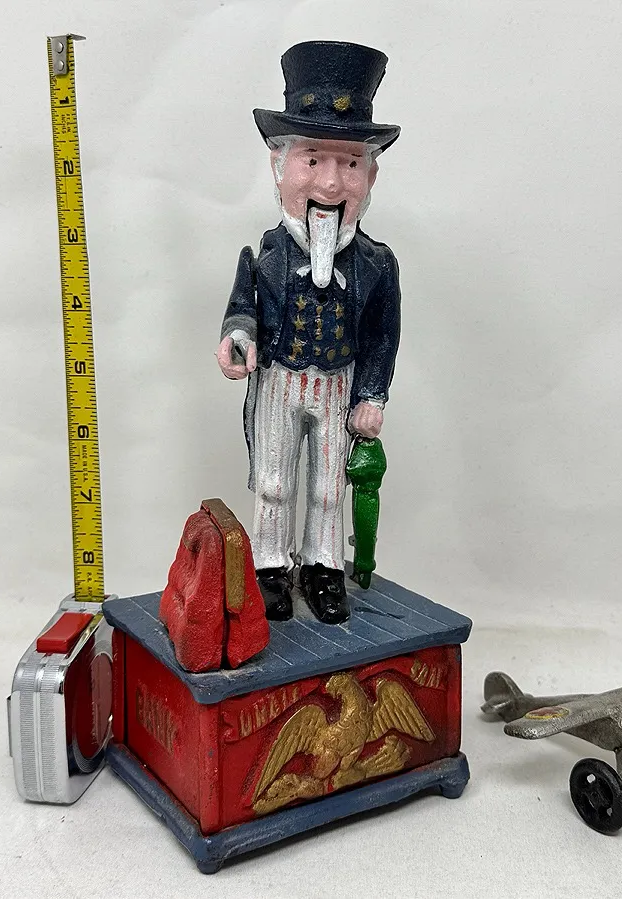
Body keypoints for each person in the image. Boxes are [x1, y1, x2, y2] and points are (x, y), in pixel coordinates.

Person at [217, 41, 401, 624]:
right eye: (313, 160)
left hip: (337, 386)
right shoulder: (265, 257)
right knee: (274, 481)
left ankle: (323, 566)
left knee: (327, 487)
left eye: (350, 164)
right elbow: (242, 309)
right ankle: (271, 564)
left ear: (371, 175)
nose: (330, 183)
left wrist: (371, 395)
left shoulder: (376, 265)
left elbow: (382, 337)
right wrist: (238, 338)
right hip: (278, 381)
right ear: (279, 168)